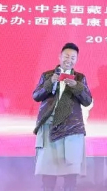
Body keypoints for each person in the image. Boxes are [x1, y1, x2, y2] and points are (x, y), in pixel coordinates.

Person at [33, 42, 93, 191]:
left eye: (73, 58)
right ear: (59, 57)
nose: (69, 60)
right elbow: (36, 96)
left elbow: (87, 101)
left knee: (70, 177)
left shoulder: (80, 78)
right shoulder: (47, 75)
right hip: (49, 128)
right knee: (48, 177)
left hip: (72, 130)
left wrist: (76, 86)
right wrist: (50, 82)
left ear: (77, 60)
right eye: (66, 56)